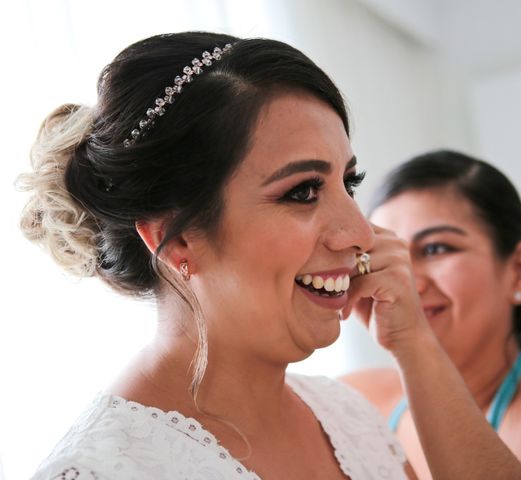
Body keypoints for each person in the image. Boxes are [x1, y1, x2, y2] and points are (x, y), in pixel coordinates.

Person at [20, 31, 418, 479]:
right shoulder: (98, 470)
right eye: (303, 191)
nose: (361, 233)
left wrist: (417, 346)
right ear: (176, 238)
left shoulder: (353, 419)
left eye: (349, 184)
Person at [341, 150, 521, 479]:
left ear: (520, 270)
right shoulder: (354, 403)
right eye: (385, 254)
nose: (405, 277)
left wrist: (411, 342)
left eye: (436, 249)